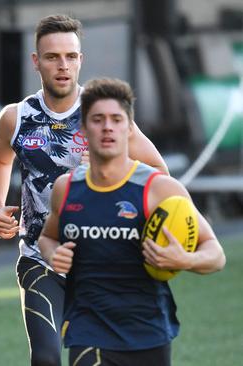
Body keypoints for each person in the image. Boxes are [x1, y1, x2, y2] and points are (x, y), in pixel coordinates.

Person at [0, 14, 169, 366]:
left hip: (100, 266)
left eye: (70, 56)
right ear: (36, 62)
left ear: (81, 60)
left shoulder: (105, 117)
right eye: (52, 57)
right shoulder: (16, 117)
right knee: (47, 359)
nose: (63, 65)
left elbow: (159, 172)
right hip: (41, 260)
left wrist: (108, 170)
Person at [38, 77, 226, 366]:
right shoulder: (66, 188)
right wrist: (54, 255)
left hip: (148, 331)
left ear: (129, 128)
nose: (107, 127)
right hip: (89, 329)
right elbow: (48, 236)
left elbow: (216, 254)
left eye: (116, 119)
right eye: (97, 120)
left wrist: (185, 259)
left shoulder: (160, 189)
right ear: (84, 129)